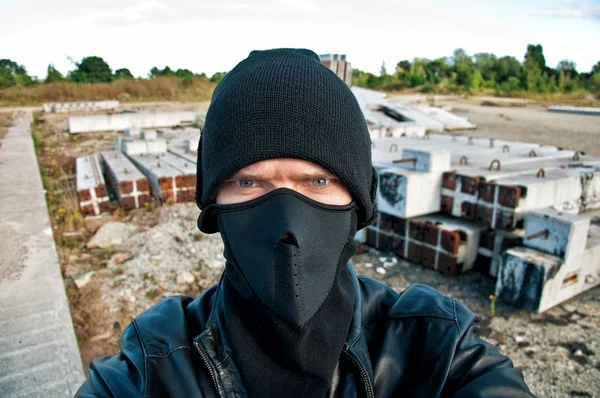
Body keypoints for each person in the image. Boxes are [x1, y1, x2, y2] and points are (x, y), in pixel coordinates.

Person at [76, 48, 533, 397]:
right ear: (210, 202)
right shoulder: (155, 364)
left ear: (360, 199)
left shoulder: (433, 347)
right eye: (249, 182)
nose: (287, 222)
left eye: (316, 180)